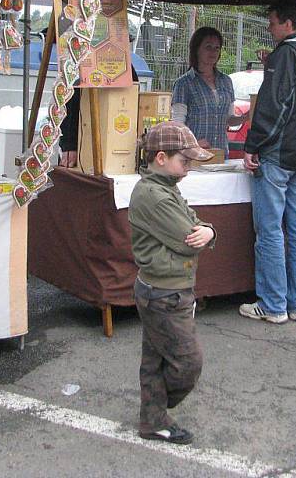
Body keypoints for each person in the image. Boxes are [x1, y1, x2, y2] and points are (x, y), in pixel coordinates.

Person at [239, 0, 296, 324]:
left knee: (271, 230)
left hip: (278, 153)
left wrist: (254, 145)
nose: (269, 27)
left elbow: (274, 105)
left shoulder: (286, 54)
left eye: (273, 22)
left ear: (288, 24)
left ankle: (273, 304)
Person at [128, 121, 216, 445]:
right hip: (165, 294)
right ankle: (157, 412)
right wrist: (206, 233)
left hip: (164, 290)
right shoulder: (155, 194)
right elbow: (187, 239)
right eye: (185, 161)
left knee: (156, 360)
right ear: (161, 158)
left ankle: (153, 420)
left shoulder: (165, 187)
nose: (188, 168)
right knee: (187, 362)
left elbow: (195, 223)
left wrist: (208, 230)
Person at [171, 27, 248, 156]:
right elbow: (177, 124)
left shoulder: (226, 81)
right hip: (195, 156)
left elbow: (228, 119)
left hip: (222, 154)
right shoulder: (184, 83)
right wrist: (193, 144)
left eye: (217, 48)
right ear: (196, 49)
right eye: (208, 47)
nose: (213, 51)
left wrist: (247, 117)